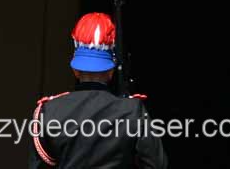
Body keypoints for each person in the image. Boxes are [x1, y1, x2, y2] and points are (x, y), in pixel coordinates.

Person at [29, 12, 167, 168]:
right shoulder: (133, 111)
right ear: (111, 70)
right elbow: (156, 164)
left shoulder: (48, 111)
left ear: (75, 69)